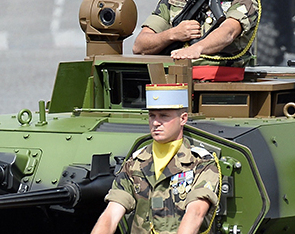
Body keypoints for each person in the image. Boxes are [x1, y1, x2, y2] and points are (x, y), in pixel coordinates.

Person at [89, 84, 220, 234]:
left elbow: (196, 212)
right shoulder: (135, 163)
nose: (156, 123)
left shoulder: (201, 163)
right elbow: (111, 214)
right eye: (152, 116)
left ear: (183, 119)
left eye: (164, 116)